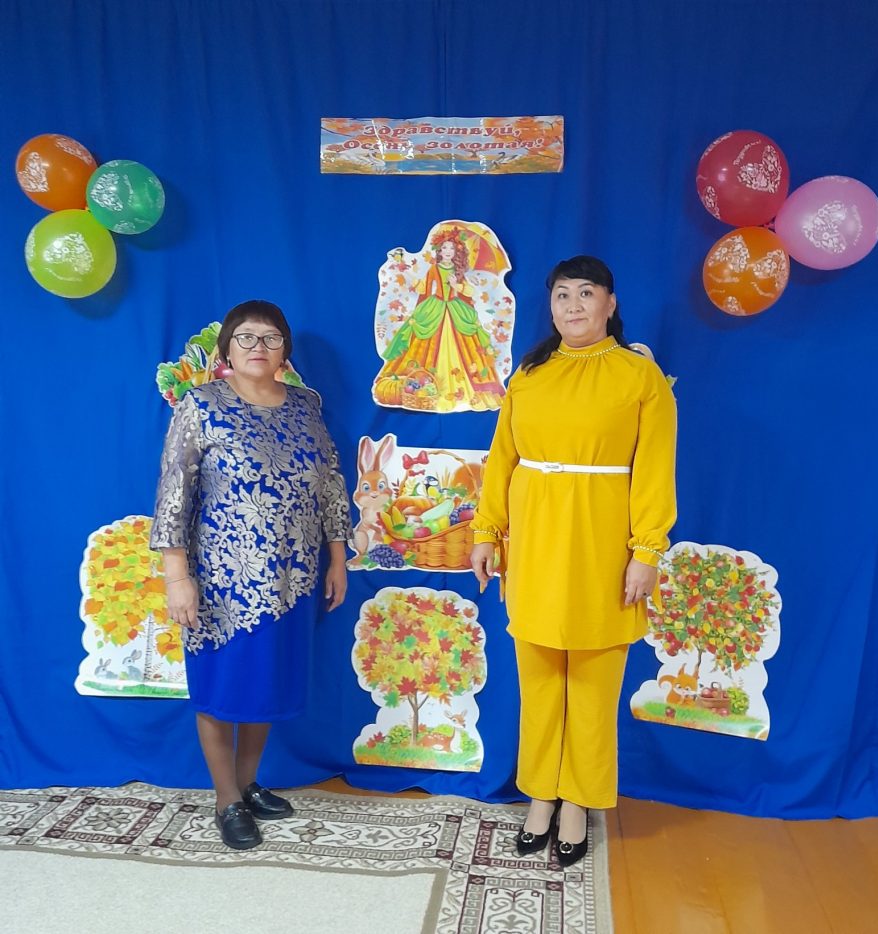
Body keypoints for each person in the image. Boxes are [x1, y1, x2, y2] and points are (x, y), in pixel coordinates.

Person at [470, 256, 676, 867]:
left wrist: (647, 551)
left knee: (592, 682)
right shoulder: (530, 375)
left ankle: (579, 802)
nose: (574, 305)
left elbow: (655, 469)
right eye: (562, 295)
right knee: (538, 679)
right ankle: (540, 795)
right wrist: (487, 532)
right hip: (535, 542)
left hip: (602, 545)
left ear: (610, 303)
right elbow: (502, 458)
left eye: (587, 293)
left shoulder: (641, 377)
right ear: (551, 306)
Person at [151, 300, 351, 850]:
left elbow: (331, 483)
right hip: (224, 582)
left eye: (270, 337)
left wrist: (337, 557)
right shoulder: (200, 405)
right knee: (221, 689)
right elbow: (173, 493)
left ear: (285, 350)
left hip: (295, 578)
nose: (258, 347)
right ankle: (226, 800)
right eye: (246, 337)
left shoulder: (306, 405)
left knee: (266, 686)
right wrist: (177, 576)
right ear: (226, 350)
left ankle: (247, 783)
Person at [373, 226, 506, 412]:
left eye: (451, 248)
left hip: (455, 309)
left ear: (457, 251)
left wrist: (456, 285)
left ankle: (466, 390)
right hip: (434, 309)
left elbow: (470, 292)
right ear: (439, 251)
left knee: (468, 348)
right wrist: (407, 272)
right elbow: (423, 288)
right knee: (422, 346)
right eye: (444, 248)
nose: (448, 251)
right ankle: (425, 387)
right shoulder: (434, 269)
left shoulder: (458, 272)